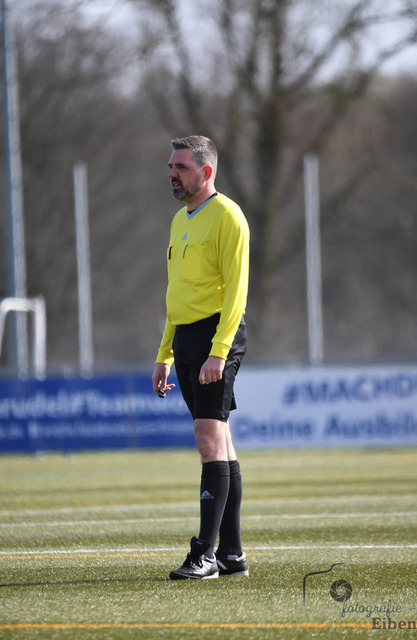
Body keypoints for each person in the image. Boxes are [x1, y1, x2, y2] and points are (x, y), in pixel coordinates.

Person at [152, 135, 250, 580]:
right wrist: (165, 353)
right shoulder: (179, 220)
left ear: (206, 172)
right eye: (171, 167)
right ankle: (231, 555)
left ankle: (204, 554)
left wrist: (219, 351)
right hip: (187, 340)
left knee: (208, 439)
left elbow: (236, 293)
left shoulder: (228, 216)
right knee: (221, 442)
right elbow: (175, 294)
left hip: (216, 336)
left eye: (182, 167)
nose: (173, 174)